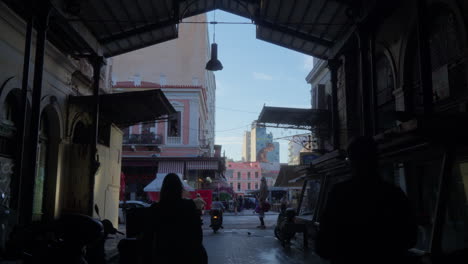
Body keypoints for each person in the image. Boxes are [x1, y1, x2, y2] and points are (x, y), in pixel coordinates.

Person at [315, 136, 417, 264]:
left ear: (351, 161)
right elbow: (410, 238)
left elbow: (323, 245)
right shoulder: (393, 194)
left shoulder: (339, 193)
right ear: (377, 160)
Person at [141, 173, 207, 264]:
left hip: (163, 255)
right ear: (180, 189)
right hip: (186, 255)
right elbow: (197, 233)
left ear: (163, 189)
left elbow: (148, 236)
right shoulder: (189, 206)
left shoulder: (156, 208)